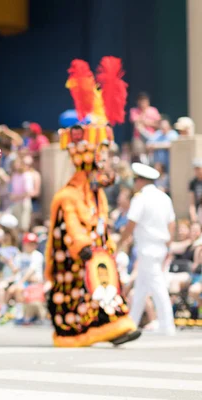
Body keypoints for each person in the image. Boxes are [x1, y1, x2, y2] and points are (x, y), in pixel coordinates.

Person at [47, 57, 140, 347]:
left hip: (96, 256)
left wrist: (105, 245)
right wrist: (84, 248)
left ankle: (115, 326)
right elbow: (73, 227)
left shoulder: (96, 192)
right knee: (82, 293)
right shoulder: (68, 195)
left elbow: (101, 220)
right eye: (99, 158)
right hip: (78, 260)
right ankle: (91, 331)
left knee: (104, 287)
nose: (105, 166)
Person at [117, 163, 176, 336]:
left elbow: (131, 223)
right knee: (142, 287)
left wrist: (121, 242)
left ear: (142, 181)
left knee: (157, 286)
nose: (135, 183)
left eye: (136, 180)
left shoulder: (140, 198)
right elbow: (171, 223)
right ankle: (132, 323)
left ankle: (167, 325)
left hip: (148, 246)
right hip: (159, 246)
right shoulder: (164, 197)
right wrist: (168, 242)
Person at [189, 159, 202, 223]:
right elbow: (192, 201)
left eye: (199, 169)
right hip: (198, 211)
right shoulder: (193, 182)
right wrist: (193, 215)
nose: (197, 171)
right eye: (195, 169)